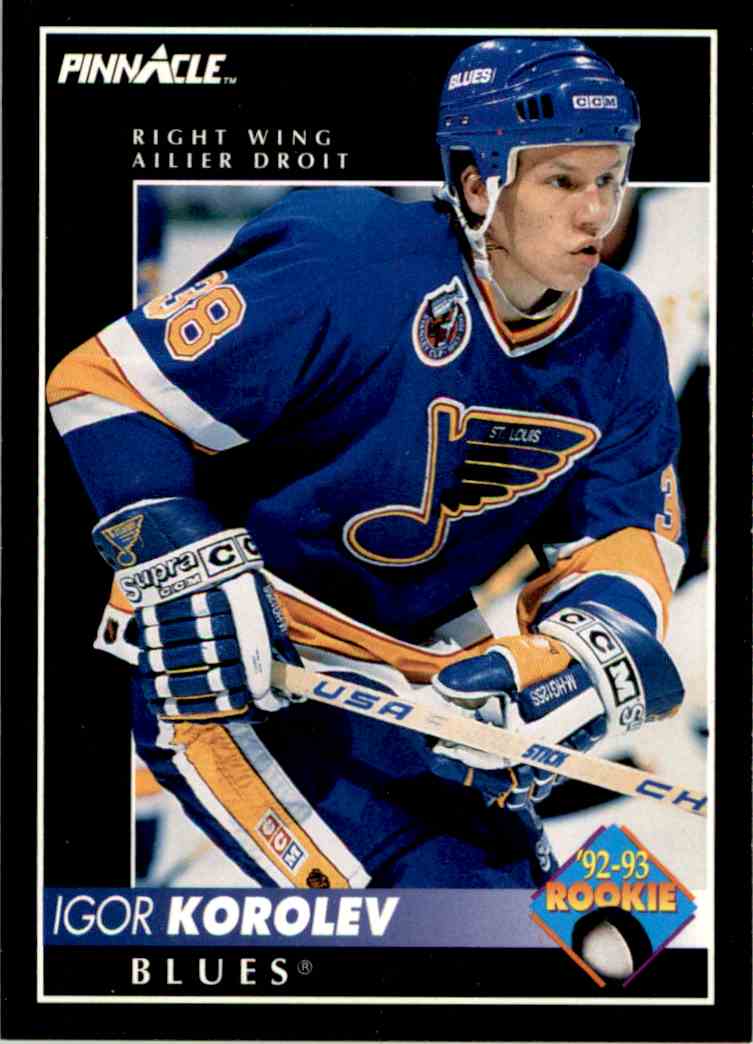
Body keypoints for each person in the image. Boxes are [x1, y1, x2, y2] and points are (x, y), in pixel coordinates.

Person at [47, 37, 687, 889]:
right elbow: (100, 384)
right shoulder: (344, 256)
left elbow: (625, 529)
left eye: (609, 179)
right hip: (248, 657)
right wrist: (182, 563)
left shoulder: (620, 328)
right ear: (477, 185)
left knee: (570, 928)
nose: (595, 214)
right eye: (562, 182)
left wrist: (581, 649)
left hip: (430, 663)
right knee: (436, 923)